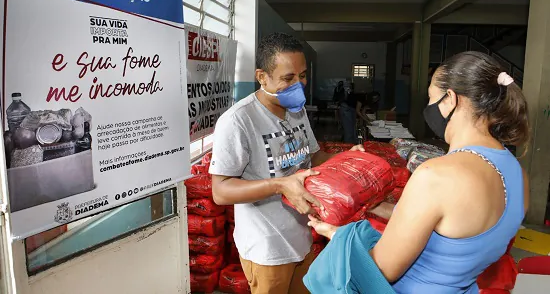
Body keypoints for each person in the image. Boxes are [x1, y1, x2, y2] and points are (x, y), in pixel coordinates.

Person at [308, 51, 530, 293]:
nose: (429, 108)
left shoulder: (436, 175)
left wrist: (339, 236)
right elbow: (448, 227)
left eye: (431, 99)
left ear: (450, 99)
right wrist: (373, 206)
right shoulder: (517, 173)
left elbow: (382, 269)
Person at [209, 32, 364, 294]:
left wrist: (348, 157)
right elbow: (220, 191)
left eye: (302, 75)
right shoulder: (238, 121)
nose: (299, 85)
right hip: (267, 247)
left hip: (302, 236)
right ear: (261, 77)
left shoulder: (297, 111)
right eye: (288, 78)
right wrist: (280, 185)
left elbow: (312, 158)